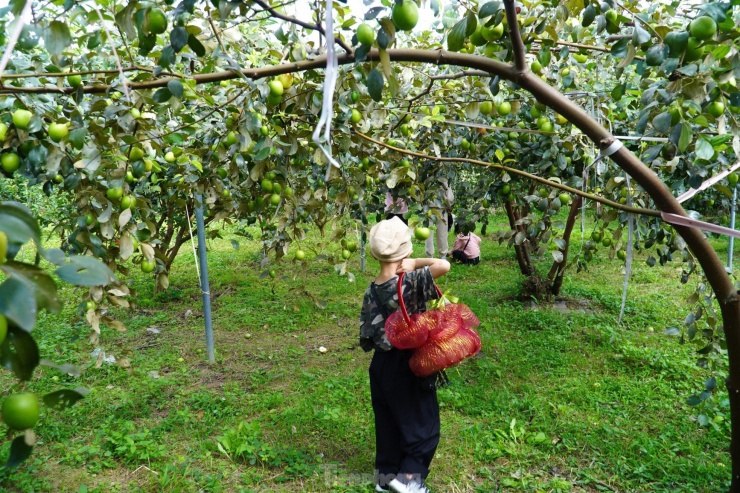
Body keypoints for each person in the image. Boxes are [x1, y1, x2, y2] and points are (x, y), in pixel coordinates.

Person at [359, 217, 451, 493]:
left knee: (388, 420)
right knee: (422, 421)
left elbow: (367, 335)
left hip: (381, 365)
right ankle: (410, 479)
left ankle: (386, 478)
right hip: (409, 362)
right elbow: (443, 265)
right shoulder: (410, 281)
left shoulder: (372, 289)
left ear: (375, 254)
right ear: (408, 251)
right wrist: (413, 264)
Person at [425, 179, 454, 259]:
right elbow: (450, 199)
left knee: (429, 235)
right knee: (442, 234)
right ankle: (442, 256)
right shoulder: (444, 180)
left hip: (429, 209)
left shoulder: (428, 177)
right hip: (440, 210)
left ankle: (430, 256)